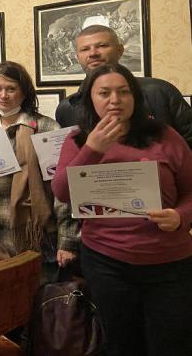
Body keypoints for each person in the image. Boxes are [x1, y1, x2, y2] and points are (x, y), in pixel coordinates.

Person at [52, 64, 192, 356]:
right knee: (121, 343)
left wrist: (181, 216)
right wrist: (92, 148)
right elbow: (62, 192)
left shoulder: (165, 135)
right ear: (90, 98)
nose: (115, 100)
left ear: (135, 97)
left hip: (170, 263)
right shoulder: (77, 139)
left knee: (172, 343)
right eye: (104, 93)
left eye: (123, 92)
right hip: (106, 262)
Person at [0, 61, 79, 308]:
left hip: (31, 237)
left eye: (11, 89)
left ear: (24, 92)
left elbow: (63, 191)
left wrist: (67, 241)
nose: (3, 95)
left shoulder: (46, 128)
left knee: (29, 307)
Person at [55, 24, 192, 146]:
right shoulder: (66, 108)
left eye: (102, 46)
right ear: (77, 57)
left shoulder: (160, 91)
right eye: (85, 49)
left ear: (120, 51)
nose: (93, 53)